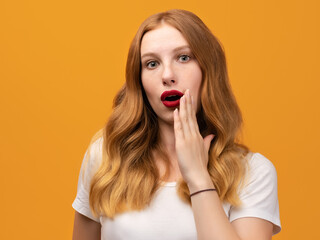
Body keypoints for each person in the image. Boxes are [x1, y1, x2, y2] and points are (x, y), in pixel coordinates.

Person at [72, 9, 281, 240]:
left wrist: (198, 178)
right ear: (139, 81)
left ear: (208, 70)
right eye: (152, 64)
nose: (168, 75)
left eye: (183, 57)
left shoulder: (254, 173)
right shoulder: (105, 158)